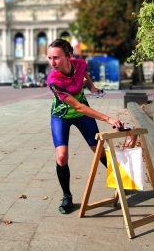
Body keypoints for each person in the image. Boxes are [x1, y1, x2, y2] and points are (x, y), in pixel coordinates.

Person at [47, 39, 123, 214]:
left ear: (69, 56)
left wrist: (92, 86)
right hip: (61, 116)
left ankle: (121, 180)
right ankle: (67, 196)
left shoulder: (80, 63)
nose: (52, 63)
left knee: (99, 151)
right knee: (62, 156)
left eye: (56, 58)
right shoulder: (54, 79)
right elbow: (78, 106)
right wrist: (108, 119)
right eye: (50, 58)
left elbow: (83, 74)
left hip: (83, 116)